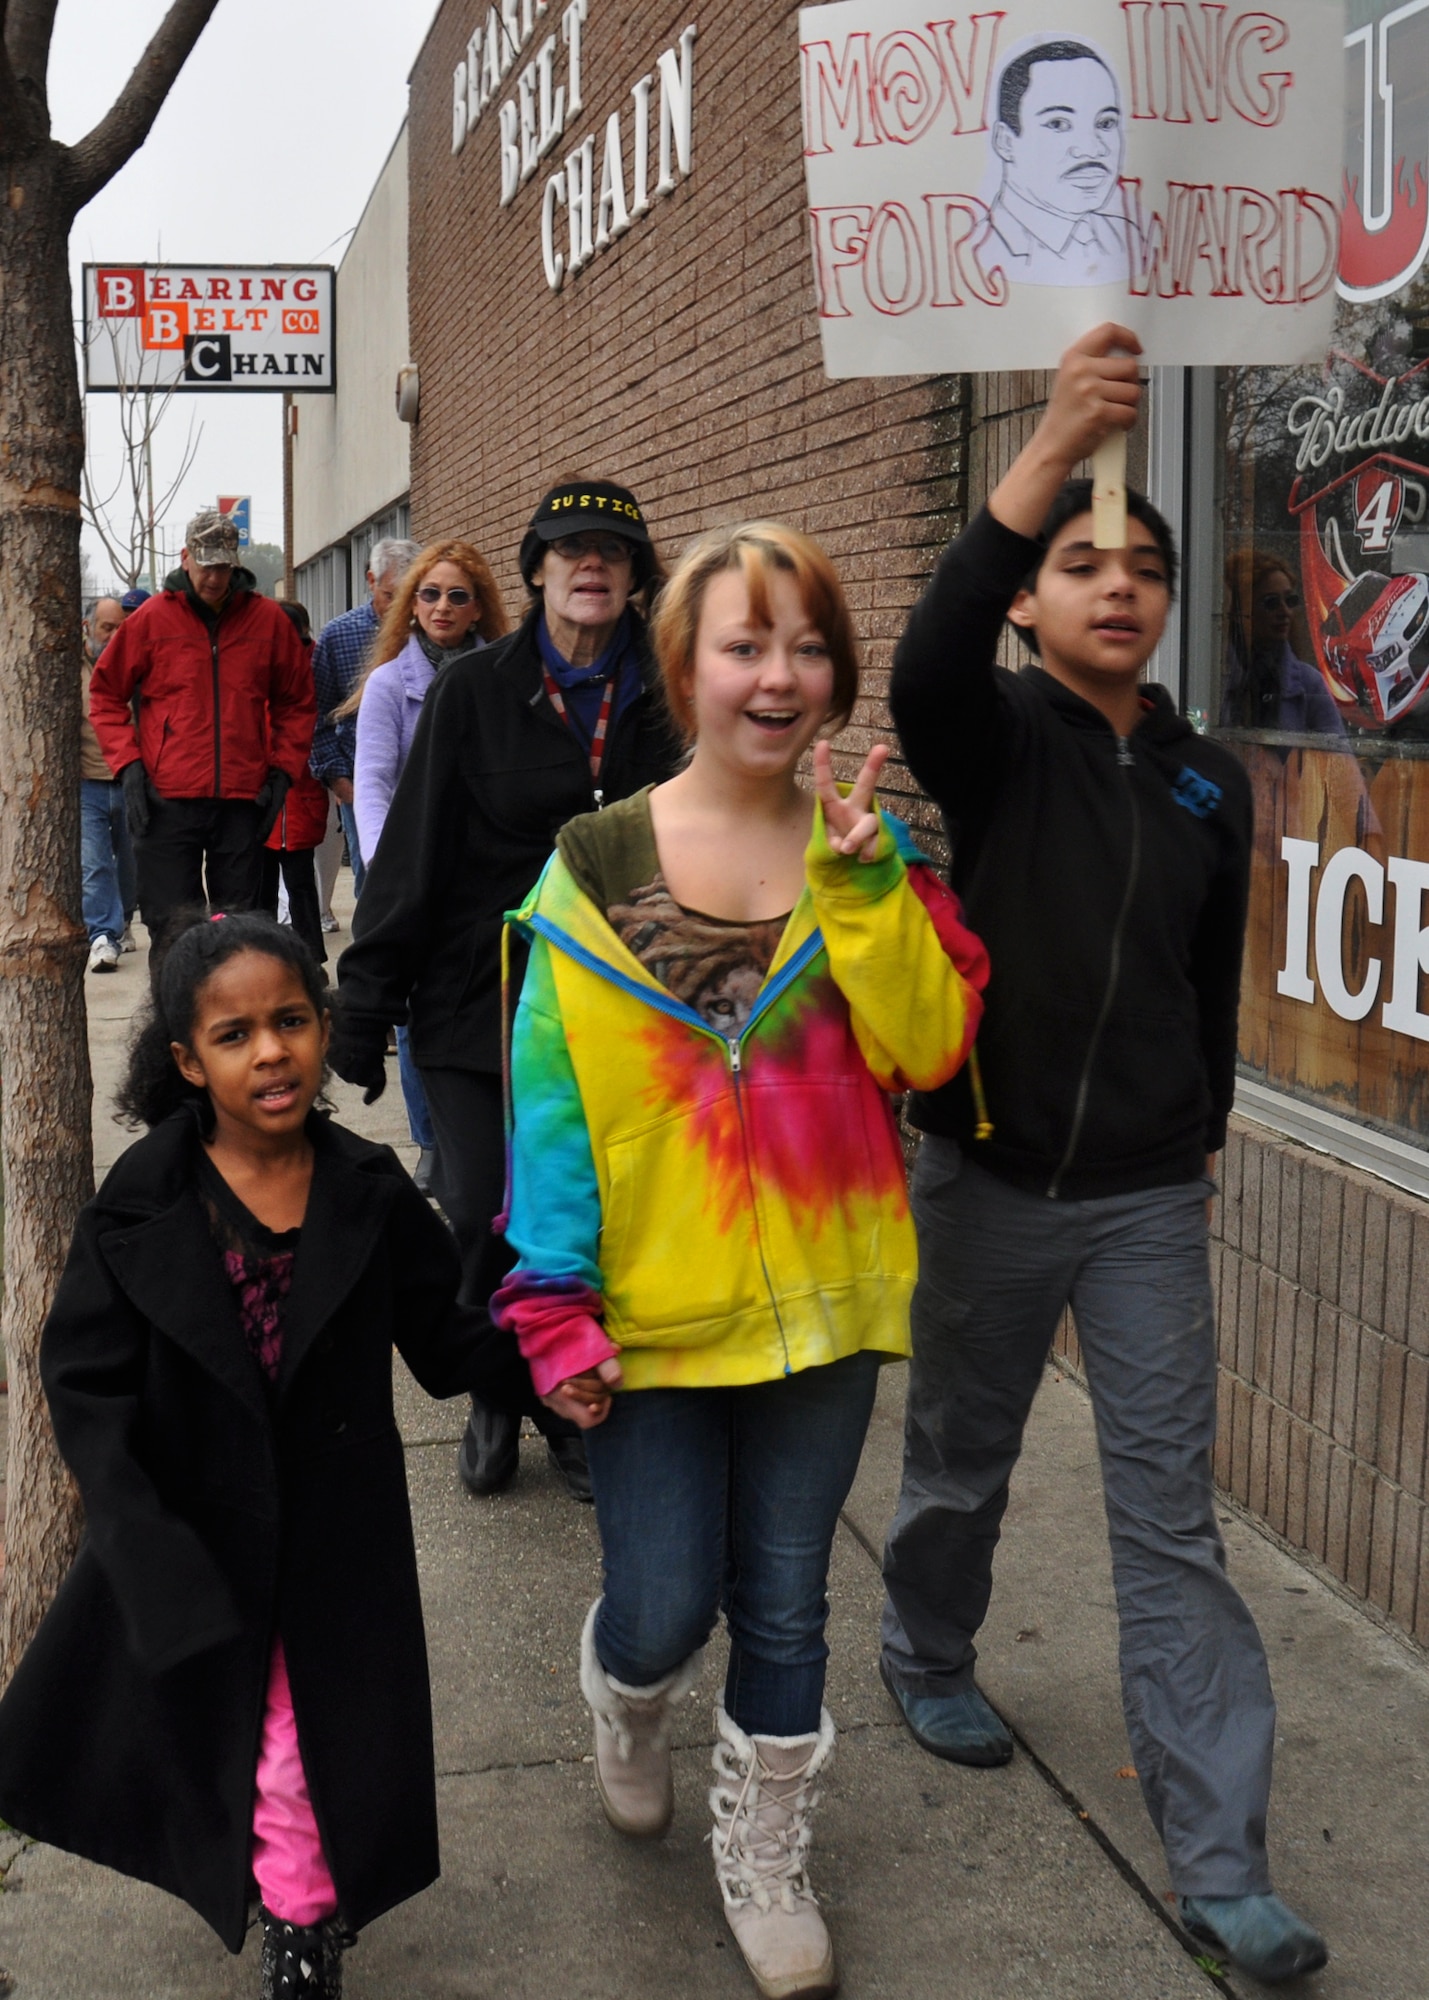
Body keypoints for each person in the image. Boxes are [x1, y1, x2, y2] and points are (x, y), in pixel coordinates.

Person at [877, 324, 1328, 1987]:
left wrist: (1196, 1139)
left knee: (1167, 1523)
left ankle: (1221, 1866)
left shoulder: (1206, 778)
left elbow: (1203, 988)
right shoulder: (988, 741)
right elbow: (920, 657)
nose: (1115, 586)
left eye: (1140, 566)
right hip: (985, 1180)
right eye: (1077, 564)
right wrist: (1055, 442)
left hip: (1142, 1198)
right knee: (955, 1459)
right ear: (1025, 598)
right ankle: (922, 1641)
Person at [493, 521, 988, 2000]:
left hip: (824, 1309)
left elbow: (927, 1047)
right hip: (649, 1319)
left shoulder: (870, 854)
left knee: (786, 1600)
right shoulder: (593, 862)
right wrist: (553, 1303)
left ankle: (767, 1851)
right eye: (745, 644)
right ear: (684, 666)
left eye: (808, 645)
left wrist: (867, 891)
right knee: (660, 1605)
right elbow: (552, 1100)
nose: (780, 675)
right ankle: (623, 1692)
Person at [0, 911, 526, 1999]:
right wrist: (136, 1531)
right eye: (234, 1034)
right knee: (233, 1738)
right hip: (194, 1535)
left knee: (298, 1744)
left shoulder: (369, 1193)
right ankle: (289, 1898)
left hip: (334, 1540)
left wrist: (553, 1365)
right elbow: (84, 1383)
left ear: (326, 1030)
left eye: (291, 1020)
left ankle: (298, 1919)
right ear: (189, 1061)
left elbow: (445, 1336)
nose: (271, 1050)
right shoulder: (142, 1205)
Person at [332, 481, 680, 1506]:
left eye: (613, 552)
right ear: (531, 570)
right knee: (484, 1208)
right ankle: (500, 1386)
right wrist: (364, 1000)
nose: (591, 565)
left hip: (620, 1005)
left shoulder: (668, 691)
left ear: (634, 575)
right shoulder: (474, 690)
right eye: (569, 548)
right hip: (476, 1003)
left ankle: (570, 1392)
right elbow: (411, 851)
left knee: (589, 1215)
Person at [343, 542, 511, 1192]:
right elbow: (375, 786)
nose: (442, 607)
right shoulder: (389, 685)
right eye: (430, 594)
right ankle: (431, 1139)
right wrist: (395, 877)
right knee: (419, 1010)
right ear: (410, 605)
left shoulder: (501, 677)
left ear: (478, 609)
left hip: (488, 877)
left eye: (457, 596)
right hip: (413, 878)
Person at [88, 510, 315, 959]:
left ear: (236, 563)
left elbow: (296, 702)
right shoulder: (151, 621)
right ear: (186, 557)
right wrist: (129, 766)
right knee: (172, 928)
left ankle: (231, 1025)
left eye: (224, 566)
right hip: (167, 800)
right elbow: (105, 695)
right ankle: (173, 1026)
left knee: (240, 930)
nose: (215, 577)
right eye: (207, 564)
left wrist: (282, 772)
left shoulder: (267, 623)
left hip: (242, 800)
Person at [310, 538, 422, 898]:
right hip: (362, 785)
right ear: (371, 580)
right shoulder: (338, 636)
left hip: (424, 781)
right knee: (374, 883)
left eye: (412, 595)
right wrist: (340, 781)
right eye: (392, 596)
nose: (401, 609)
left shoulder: (429, 629)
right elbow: (317, 716)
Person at [979, 40, 1129, 287]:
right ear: (1005, 142)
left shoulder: (1136, 242)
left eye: (1106, 123)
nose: (1092, 148)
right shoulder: (975, 250)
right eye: (1058, 124)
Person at [259, 603, 334, 966]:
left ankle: (308, 962)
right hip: (263, 798)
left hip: (297, 795)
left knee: (299, 885)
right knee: (263, 890)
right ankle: (266, 961)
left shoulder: (314, 671)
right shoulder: (263, 667)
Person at [1222, 549, 1348, 734]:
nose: (1285, 612)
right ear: (1242, 612)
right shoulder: (1218, 676)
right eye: (1271, 602)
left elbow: (1339, 760)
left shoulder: (1309, 684)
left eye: (1290, 600)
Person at [80, 595, 138, 973]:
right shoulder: (71, 669)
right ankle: (102, 935)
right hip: (88, 784)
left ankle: (125, 918)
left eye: (120, 627)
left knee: (131, 864)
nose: (115, 635)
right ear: (88, 628)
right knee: (95, 863)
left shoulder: (136, 665)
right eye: (107, 627)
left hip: (131, 779)